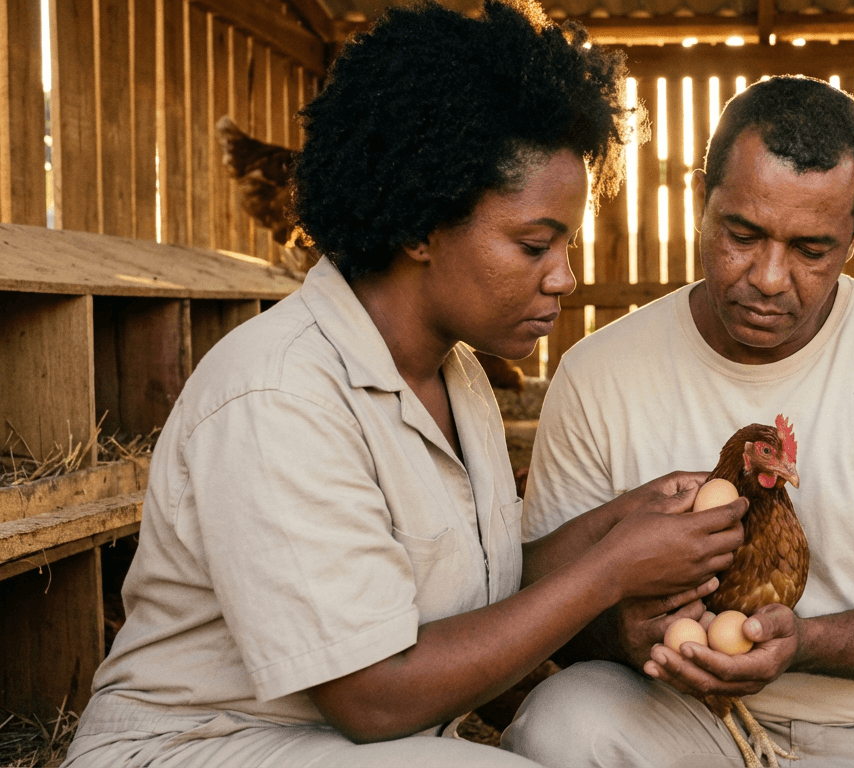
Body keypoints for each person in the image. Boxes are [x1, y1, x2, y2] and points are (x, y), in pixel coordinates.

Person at [60, 2, 746, 766]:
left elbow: (479, 595)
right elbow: (374, 696)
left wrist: (619, 522)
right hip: (204, 748)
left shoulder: (455, 376)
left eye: (568, 244)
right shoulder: (281, 396)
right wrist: (611, 571)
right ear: (420, 226)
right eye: (532, 245)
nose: (566, 278)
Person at [507, 75, 854, 767]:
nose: (770, 277)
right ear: (699, 200)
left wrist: (803, 643)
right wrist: (621, 635)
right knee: (559, 727)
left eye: (811, 250)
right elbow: (542, 599)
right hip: (671, 710)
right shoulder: (599, 371)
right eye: (742, 234)